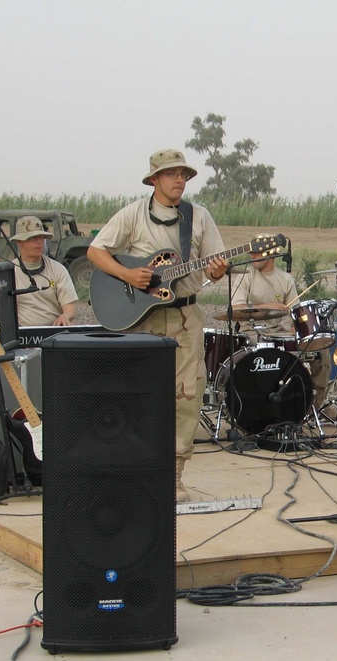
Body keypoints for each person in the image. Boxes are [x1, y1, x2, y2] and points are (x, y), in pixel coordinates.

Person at [87, 149, 230, 503]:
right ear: (154, 180)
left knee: (186, 397)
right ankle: (135, 467)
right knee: (140, 394)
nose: (179, 179)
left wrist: (217, 270)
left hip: (185, 317)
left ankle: (174, 476)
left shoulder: (199, 217)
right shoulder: (133, 214)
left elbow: (216, 260)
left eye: (183, 174)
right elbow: (95, 251)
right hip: (142, 319)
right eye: (171, 174)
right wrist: (127, 274)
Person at [229, 238, 332, 413]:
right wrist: (268, 308)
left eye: (257, 252)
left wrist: (297, 328)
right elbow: (235, 308)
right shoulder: (244, 277)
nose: (252, 256)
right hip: (250, 332)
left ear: (272, 254)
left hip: (277, 332)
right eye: (251, 253)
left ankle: (313, 405)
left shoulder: (285, 279)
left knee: (321, 350)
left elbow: (296, 313)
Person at [10, 216, 78, 326]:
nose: (39, 242)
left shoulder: (58, 269)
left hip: (53, 333)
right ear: (19, 242)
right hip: (21, 336)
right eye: (33, 238)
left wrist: (65, 316)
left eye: (42, 237)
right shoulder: (9, 272)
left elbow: (69, 307)